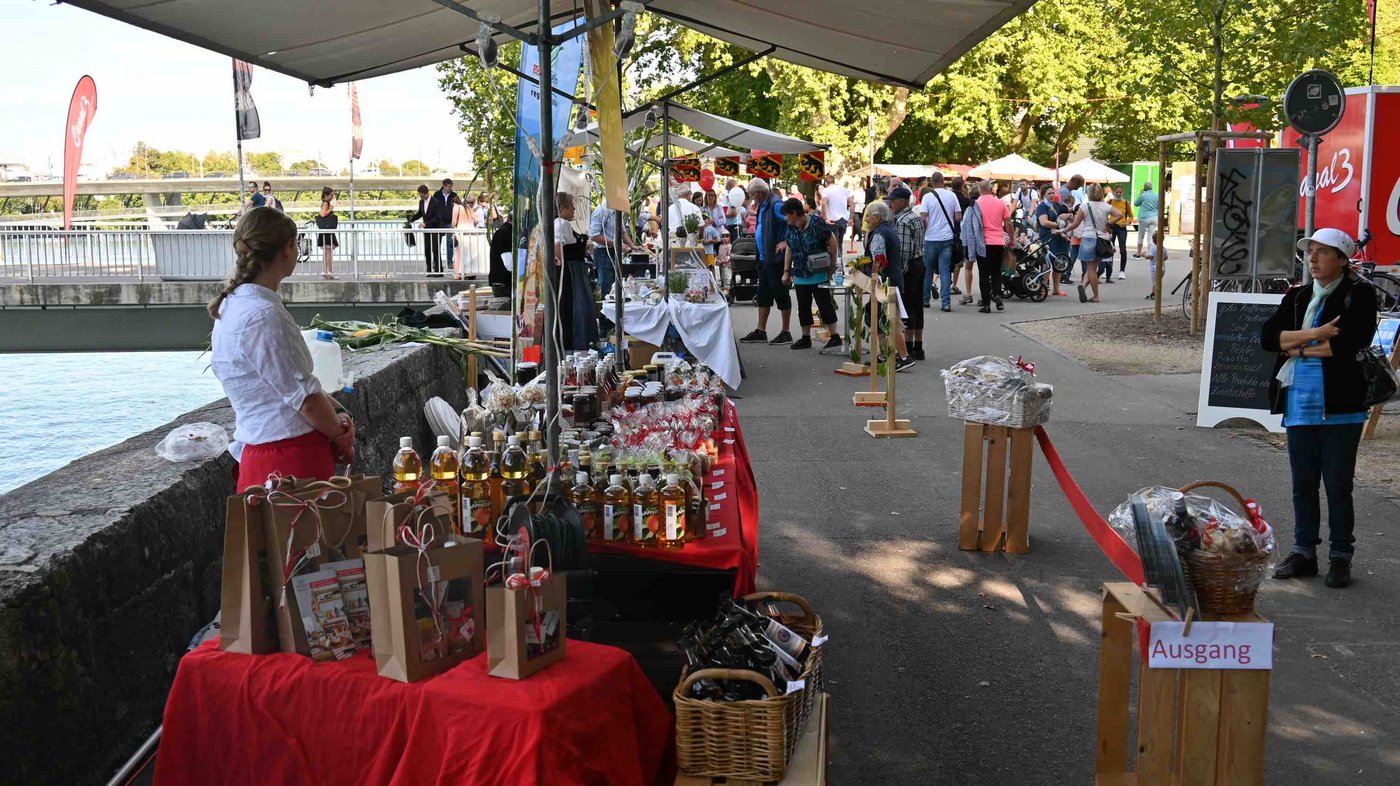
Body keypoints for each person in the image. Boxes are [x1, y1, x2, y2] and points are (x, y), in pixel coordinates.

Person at [1261, 229, 1378, 589]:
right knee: (1303, 483)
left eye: (1322, 253)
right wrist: (1318, 334)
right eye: (1310, 252)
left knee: (1338, 484)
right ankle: (1304, 552)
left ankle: (1340, 555)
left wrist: (1294, 343)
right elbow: (1269, 339)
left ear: (1342, 259)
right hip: (1299, 398)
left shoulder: (1358, 293)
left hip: (1341, 403)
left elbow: (1349, 345)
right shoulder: (1297, 296)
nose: (1312, 259)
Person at [208, 207, 355, 493]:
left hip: (258, 454)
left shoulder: (233, 304)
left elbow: (291, 383)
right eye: (296, 243)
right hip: (290, 459)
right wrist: (340, 433)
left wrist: (341, 412)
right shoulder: (264, 315)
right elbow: (306, 400)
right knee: (304, 537)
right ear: (287, 248)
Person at [779, 198, 843, 351]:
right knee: (803, 305)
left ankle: (835, 336)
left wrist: (832, 264)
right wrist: (786, 271)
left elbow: (832, 240)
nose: (786, 218)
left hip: (818, 270)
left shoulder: (816, 222)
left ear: (794, 213)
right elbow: (789, 248)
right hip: (800, 271)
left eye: (787, 214)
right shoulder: (791, 227)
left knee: (824, 303)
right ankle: (805, 337)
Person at [860, 201, 915, 372]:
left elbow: (878, 259)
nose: (867, 219)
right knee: (879, 319)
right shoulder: (888, 230)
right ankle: (884, 355)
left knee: (891, 320)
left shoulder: (879, 234)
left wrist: (873, 280)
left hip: (885, 282)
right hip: (893, 278)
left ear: (877, 217)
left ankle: (904, 357)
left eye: (868, 215)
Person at [738, 178, 793, 345]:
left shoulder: (776, 205)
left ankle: (786, 331)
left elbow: (794, 221)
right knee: (763, 295)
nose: (752, 198)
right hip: (764, 259)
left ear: (760, 193)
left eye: (753, 195)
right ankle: (761, 330)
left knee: (781, 294)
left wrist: (786, 241)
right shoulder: (763, 205)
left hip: (775, 259)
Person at [551, 191, 598, 351]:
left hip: (573, 272)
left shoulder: (561, 224)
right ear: (562, 207)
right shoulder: (560, 224)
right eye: (571, 205)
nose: (574, 209)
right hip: (570, 274)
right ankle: (576, 345)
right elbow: (558, 253)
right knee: (574, 309)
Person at [1060, 183, 1121, 304]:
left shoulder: (1084, 206)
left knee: (1090, 267)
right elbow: (1120, 214)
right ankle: (1086, 287)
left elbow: (1075, 224)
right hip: (1102, 240)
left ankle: (1094, 294)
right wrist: (1109, 223)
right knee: (1094, 267)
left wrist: (1063, 230)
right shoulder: (1106, 206)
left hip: (1088, 237)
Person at [889, 187, 927, 358]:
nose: (890, 205)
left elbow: (904, 250)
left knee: (908, 305)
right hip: (920, 262)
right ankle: (918, 345)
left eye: (893, 201)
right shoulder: (915, 217)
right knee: (917, 305)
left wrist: (901, 271)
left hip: (910, 266)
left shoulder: (903, 220)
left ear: (902, 202)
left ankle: (908, 347)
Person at [920, 172, 961, 313]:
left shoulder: (927, 197)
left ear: (931, 182)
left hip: (930, 238)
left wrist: (926, 230)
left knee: (928, 271)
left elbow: (923, 218)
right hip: (946, 239)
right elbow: (957, 217)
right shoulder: (952, 196)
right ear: (943, 181)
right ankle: (946, 303)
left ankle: (925, 300)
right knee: (944, 271)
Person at [971, 179, 1011, 313]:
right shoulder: (1000, 203)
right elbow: (1008, 223)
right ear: (991, 188)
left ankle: (986, 304)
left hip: (982, 243)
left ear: (979, 190)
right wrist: (1011, 238)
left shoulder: (976, 204)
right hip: (998, 242)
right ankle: (998, 295)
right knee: (996, 272)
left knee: (983, 274)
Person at [588, 201, 633, 303]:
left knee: (616, 286)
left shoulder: (617, 211)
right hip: (603, 253)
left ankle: (615, 315)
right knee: (607, 288)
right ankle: (605, 316)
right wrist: (615, 244)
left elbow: (622, 231)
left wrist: (633, 246)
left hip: (614, 252)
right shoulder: (601, 211)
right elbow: (594, 235)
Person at [1033, 184, 1070, 297]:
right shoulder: (1042, 207)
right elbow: (1044, 222)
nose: (1052, 195)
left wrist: (1068, 217)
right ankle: (1043, 286)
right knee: (1047, 262)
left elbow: (1063, 216)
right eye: (1049, 193)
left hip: (1060, 236)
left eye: (1053, 193)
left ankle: (1056, 288)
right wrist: (1059, 225)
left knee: (1059, 262)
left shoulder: (1057, 205)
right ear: (1044, 194)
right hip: (1048, 236)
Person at [950, 176, 973, 302]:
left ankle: (944, 283)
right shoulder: (965, 200)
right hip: (960, 231)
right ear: (961, 187)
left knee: (947, 257)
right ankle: (954, 284)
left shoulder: (948, 197)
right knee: (959, 259)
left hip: (948, 230)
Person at [821, 177, 852, 261]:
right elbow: (852, 203)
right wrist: (851, 218)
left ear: (825, 183)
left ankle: (837, 268)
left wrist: (825, 217)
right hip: (843, 219)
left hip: (832, 220)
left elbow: (824, 203)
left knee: (834, 245)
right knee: (840, 244)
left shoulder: (826, 191)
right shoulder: (844, 190)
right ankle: (840, 267)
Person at [1107, 185, 1133, 280]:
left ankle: (1122, 271)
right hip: (1111, 227)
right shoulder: (1109, 202)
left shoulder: (1126, 203)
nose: (1118, 194)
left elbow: (1131, 216)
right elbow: (1105, 213)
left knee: (1123, 249)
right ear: (1113, 192)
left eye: (1120, 192)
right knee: (1110, 249)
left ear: (1122, 193)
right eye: (1117, 192)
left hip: (1122, 227)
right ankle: (1108, 271)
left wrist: (1127, 223)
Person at [451, 193, 479, 280]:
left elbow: (454, 222)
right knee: (470, 253)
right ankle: (470, 272)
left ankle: (458, 273)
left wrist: (453, 230)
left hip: (461, 231)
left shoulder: (456, 207)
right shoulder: (468, 208)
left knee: (459, 252)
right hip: (471, 231)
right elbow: (476, 220)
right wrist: (471, 224)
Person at [315, 187, 339, 279]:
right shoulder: (326, 203)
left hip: (325, 231)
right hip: (327, 231)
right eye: (331, 195)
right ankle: (329, 272)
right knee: (328, 251)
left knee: (326, 251)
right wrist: (331, 209)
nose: (332, 197)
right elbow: (322, 214)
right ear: (326, 195)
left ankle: (325, 271)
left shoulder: (325, 203)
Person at [488, 215, 513, 298]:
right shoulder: (506, 233)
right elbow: (509, 264)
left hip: (501, 283)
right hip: (504, 285)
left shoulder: (504, 231)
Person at [1133, 182, 1160, 259]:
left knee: (1141, 236)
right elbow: (1159, 206)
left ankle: (1138, 253)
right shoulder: (1156, 196)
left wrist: (1140, 193)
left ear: (1144, 187)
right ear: (1152, 187)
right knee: (1150, 237)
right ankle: (1151, 253)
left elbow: (1136, 203)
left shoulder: (1143, 195)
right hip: (1154, 217)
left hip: (1144, 218)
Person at [716, 229, 733, 294]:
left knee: (728, 278)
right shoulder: (720, 246)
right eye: (723, 236)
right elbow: (719, 255)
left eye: (726, 236)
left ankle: (728, 291)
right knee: (723, 278)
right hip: (721, 265)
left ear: (729, 238)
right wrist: (718, 260)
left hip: (727, 265)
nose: (725, 238)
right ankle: (725, 291)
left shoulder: (730, 246)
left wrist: (723, 261)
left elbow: (729, 256)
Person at [852, 179, 868, 245]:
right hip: (861, 207)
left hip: (857, 207)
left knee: (856, 222)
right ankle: (854, 235)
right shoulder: (863, 191)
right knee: (858, 222)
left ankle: (859, 236)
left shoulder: (857, 191)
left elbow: (855, 199)